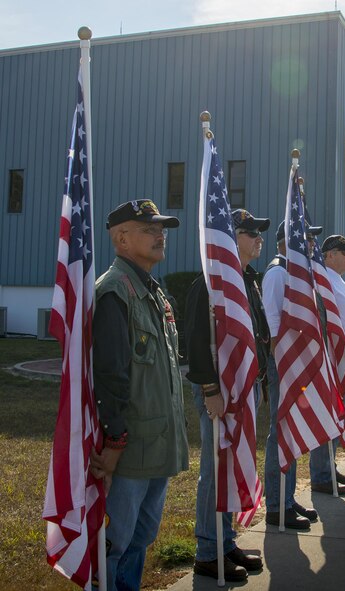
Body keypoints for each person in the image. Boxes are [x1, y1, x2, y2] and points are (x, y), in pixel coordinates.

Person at [90, 199, 189, 590]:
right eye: (149, 229)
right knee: (114, 544)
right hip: (128, 452)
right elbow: (109, 376)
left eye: (160, 228)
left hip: (158, 445)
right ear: (121, 238)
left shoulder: (152, 290)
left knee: (141, 538)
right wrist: (113, 443)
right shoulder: (114, 291)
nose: (160, 235)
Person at [184, 209, 270, 581]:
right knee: (215, 470)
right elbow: (196, 341)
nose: (258, 238)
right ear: (230, 237)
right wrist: (209, 389)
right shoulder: (211, 281)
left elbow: (257, 335)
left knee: (232, 467)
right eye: (251, 232)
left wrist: (260, 383)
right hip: (220, 391)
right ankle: (207, 551)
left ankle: (226, 541)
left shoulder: (246, 280)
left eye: (259, 233)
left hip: (244, 389)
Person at [260, 221, 317, 529]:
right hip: (282, 361)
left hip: (294, 361)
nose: (309, 244)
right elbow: (273, 317)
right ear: (284, 242)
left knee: (291, 431)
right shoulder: (278, 272)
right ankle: (276, 505)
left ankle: (288, 499)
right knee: (280, 432)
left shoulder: (294, 272)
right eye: (304, 239)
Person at [309, 235, 345, 495]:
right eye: (343, 251)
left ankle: (328, 467)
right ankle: (320, 474)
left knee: (339, 414)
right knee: (329, 414)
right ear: (329, 255)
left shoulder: (337, 280)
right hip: (333, 355)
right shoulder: (323, 280)